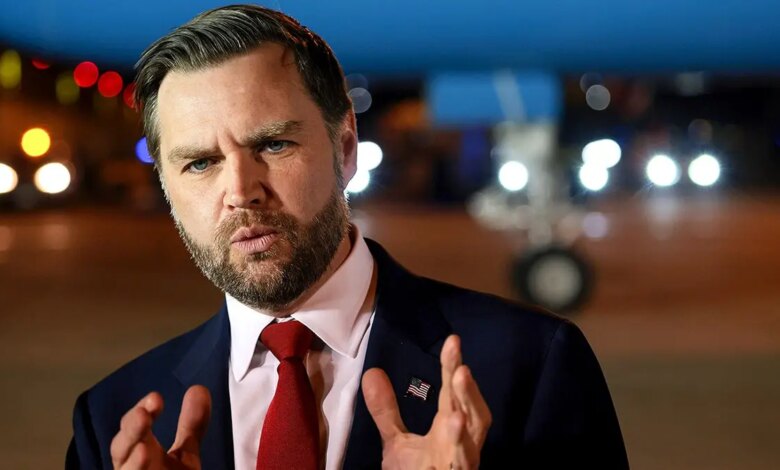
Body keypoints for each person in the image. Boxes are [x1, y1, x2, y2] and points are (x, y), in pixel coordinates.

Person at [66, 5, 629, 469]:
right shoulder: (109, 421)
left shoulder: (530, 367)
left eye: (273, 145)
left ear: (345, 150)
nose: (241, 190)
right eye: (199, 163)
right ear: (166, 186)